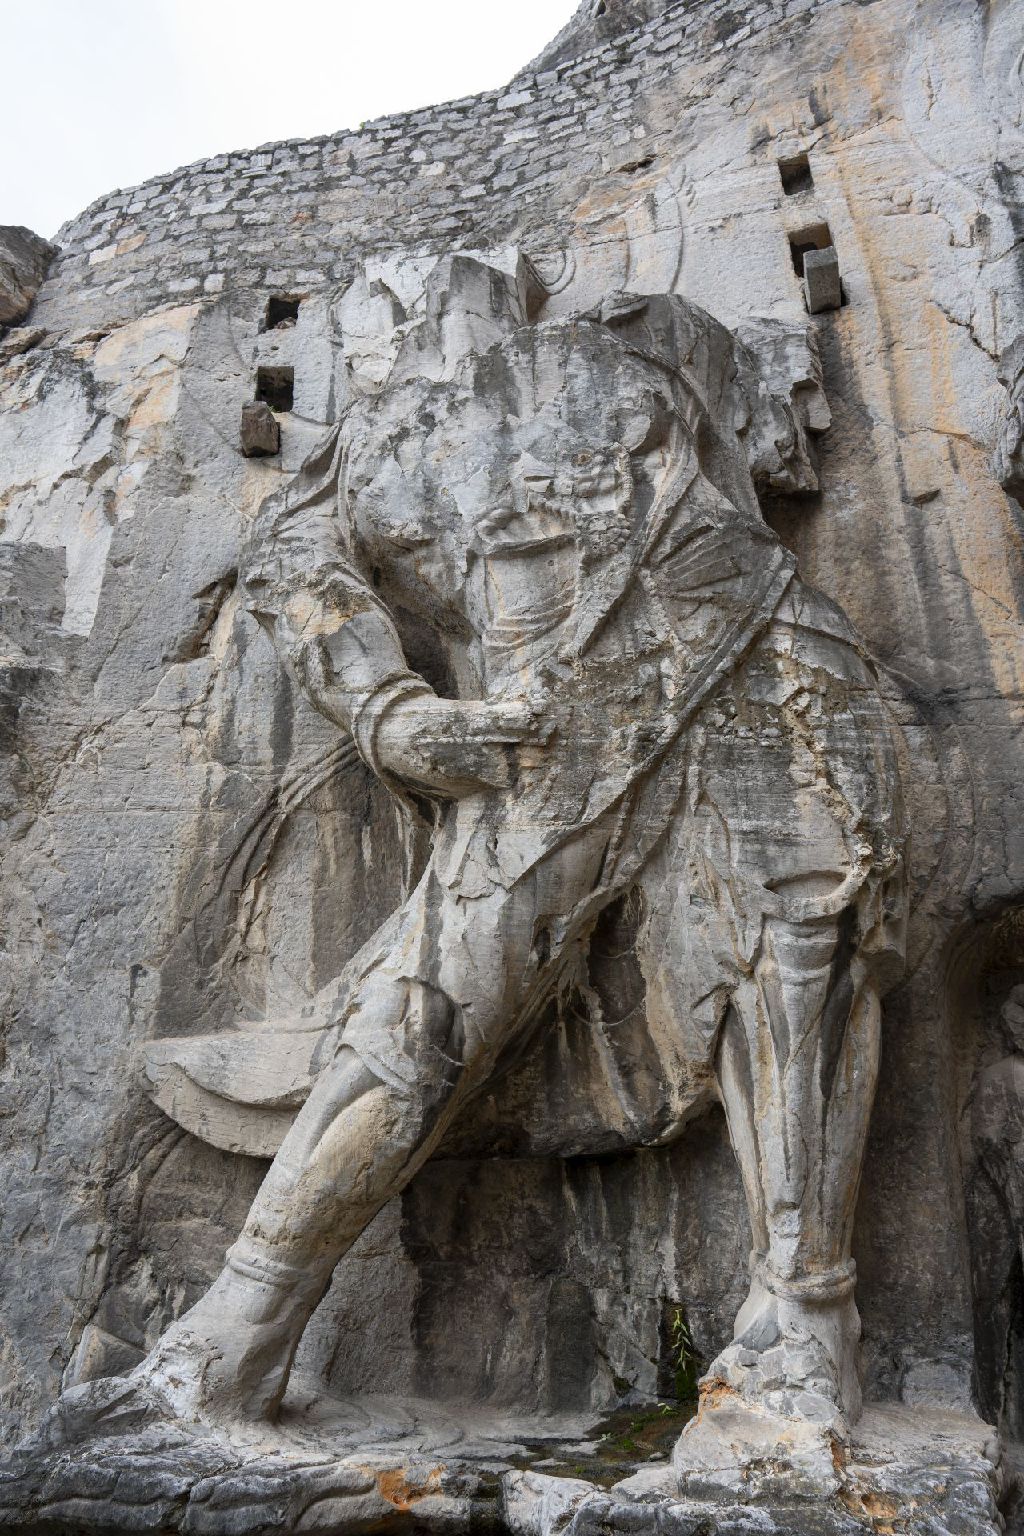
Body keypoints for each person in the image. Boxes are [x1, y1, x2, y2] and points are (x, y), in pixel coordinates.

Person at [112, 256, 906, 1439]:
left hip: (744, 635)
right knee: (423, 1011)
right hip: (537, 723)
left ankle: (802, 1319)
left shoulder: (654, 335)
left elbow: (779, 447)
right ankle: (238, 1329)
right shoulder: (378, 434)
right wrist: (389, 709)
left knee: (800, 949)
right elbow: (294, 564)